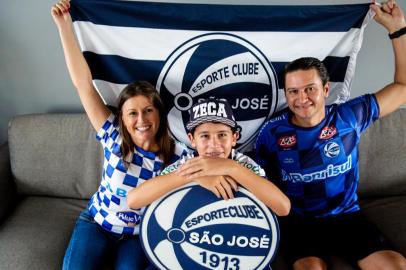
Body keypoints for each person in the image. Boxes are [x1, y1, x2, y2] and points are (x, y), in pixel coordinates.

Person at [255, 1, 406, 270]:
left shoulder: (350, 115)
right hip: (300, 223)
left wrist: (398, 30)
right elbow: (260, 181)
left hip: (346, 217)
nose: (302, 98)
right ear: (286, 94)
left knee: (396, 266)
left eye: (310, 88)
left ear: (325, 89)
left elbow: (403, 87)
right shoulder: (272, 133)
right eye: (293, 91)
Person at [51, 1, 189, 269]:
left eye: (148, 110)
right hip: (97, 225)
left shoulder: (177, 154)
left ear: (159, 114)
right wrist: (64, 27)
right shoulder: (112, 135)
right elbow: (83, 84)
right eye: (132, 113)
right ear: (123, 120)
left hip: (137, 237)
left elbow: (210, 160)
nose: (142, 120)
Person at [127, 98, 291, 217]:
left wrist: (231, 168)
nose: (214, 144)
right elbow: (134, 200)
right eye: (205, 136)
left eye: (222, 135)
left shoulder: (242, 163)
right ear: (192, 140)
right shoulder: (187, 164)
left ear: (234, 137)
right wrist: (194, 177)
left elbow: (283, 208)